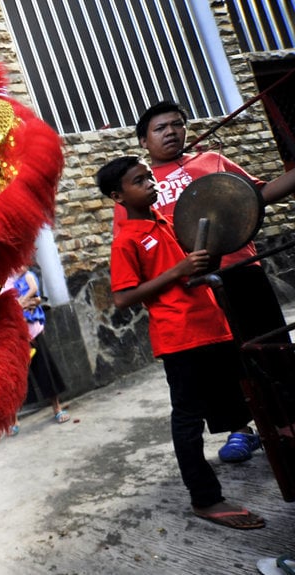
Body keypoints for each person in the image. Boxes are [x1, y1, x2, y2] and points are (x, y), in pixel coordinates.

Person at [97, 155, 265, 530]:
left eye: (147, 177)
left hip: (213, 326)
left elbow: (196, 270)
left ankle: (264, 446)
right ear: (116, 196)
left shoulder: (166, 222)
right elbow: (124, 297)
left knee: (249, 394)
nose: (150, 184)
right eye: (139, 181)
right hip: (180, 339)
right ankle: (205, 499)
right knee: (188, 420)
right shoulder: (126, 240)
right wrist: (179, 271)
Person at [115, 100, 295, 346]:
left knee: (273, 344)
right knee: (231, 359)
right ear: (143, 141)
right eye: (160, 128)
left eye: (177, 124)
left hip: (241, 268)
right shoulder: (135, 188)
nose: (171, 131)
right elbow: (134, 248)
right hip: (192, 287)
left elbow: (257, 196)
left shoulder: (210, 160)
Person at [3, 266, 69, 435]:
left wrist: (29, 303)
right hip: (11, 337)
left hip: (33, 331)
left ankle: (57, 408)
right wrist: (18, 306)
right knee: (13, 379)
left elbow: (36, 298)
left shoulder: (24, 275)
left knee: (45, 370)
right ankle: (13, 420)